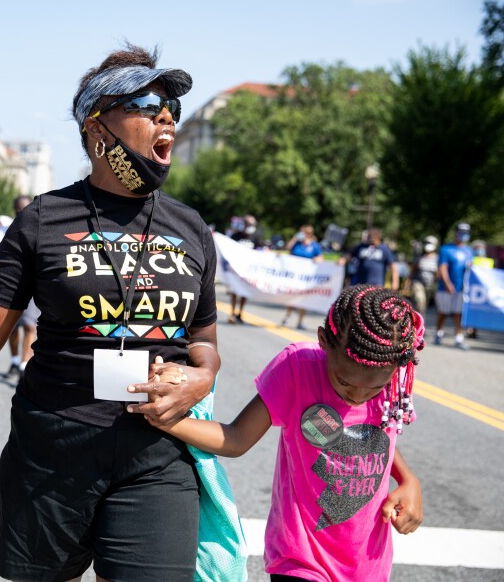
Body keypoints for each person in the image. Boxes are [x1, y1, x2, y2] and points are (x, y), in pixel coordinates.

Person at [0, 44, 221, 581]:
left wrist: (200, 378)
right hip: (52, 452)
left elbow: (204, 341)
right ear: (97, 128)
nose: (166, 117)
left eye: (173, 110)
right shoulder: (43, 219)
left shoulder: (190, 228)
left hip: (157, 454)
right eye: (147, 103)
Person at [144, 284, 424, 581]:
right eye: (344, 383)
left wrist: (408, 479)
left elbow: (377, 434)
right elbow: (236, 438)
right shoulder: (298, 368)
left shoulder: (394, 374)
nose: (356, 396)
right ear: (323, 341)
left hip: (370, 565)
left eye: (373, 389)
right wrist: (169, 422)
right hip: (300, 562)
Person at [5, 195, 38, 380]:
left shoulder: (39, 227)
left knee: (28, 325)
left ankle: (25, 365)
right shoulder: (5, 229)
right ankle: (15, 361)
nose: (21, 212)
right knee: (12, 329)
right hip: (10, 286)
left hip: (33, 287)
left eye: (24, 208)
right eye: (18, 208)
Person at [434, 222, 474, 350]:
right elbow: (443, 267)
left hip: (462, 288)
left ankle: (459, 337)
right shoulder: (446, 249)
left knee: (459, 313)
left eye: (465, 233)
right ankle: (438, 334)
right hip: (445, 288)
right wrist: (447, 283)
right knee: (443, 312)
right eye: (461, 232)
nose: (463, 235)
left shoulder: (469, 251)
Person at [281, 224, 323, 330]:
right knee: (291, 295)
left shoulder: (314, 246)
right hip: (294, 276)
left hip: (306, 278)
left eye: (302, 232)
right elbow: (288, 249)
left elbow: (320, 258)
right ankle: (288, 314)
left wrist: (317, 260)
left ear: (308, 234)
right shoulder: (297, 243)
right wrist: (294, 238)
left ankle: (300, 321)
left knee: (303, 299)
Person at [228, 214, 263, 324]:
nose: (249, 226)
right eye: (247, 223)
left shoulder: (255, 236)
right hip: (235, 269)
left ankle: (240, 313)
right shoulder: (236, 236)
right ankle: (232, 313)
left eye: (252, 224)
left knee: (244, 292)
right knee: (234, 291)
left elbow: (260, 251)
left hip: (248, 270)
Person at [405, 235, 439, 314]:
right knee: (420, 300)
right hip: (418, 283)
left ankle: (421, 319)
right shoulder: (419, 257)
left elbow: (438, 274)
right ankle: (419, 319)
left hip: (430, 285)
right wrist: (407, 284)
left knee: (424, 305)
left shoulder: (437, 258)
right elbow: (413, 271)